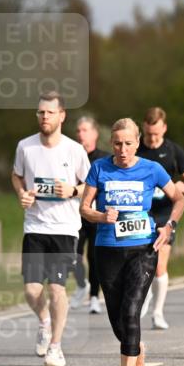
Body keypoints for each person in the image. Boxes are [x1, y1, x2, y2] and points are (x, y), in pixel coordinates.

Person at [80, 118, 184, 366]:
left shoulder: (152, 169)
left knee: (131, 311)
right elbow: (84, 208)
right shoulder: (100, 168)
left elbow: (179, 199)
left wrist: (169, 226)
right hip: (107, 249)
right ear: (111, 144)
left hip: (143, 249)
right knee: (117, 320)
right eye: (117, 144)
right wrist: (102, 217)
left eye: (128, 144)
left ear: (137, 143)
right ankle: (137, 351)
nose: (123, 150)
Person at [11, 91, 90, 366]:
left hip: (65, 229)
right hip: (34, 227)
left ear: (61, 116)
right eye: (40, 112)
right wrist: (22, 194)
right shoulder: (25, 147)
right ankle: (44, 322)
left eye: (50, 112)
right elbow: (17, 176)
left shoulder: (74, 150)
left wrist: (72, 190)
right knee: (32, 291)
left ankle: (55, 347)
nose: (44, 117)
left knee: (57, 288)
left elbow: (90, 186)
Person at [135, 107, 184, 329]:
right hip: (141, 214)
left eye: (157, 134)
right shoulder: (137, 151)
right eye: (148, 134)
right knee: (141, 263)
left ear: (164, 128)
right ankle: (145, 298)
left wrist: (183, 187)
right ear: (143, 129)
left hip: (165, 214)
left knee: (159, 265)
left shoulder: (174, 151)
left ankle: (157, 312)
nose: (152, 139)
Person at [74, 116, 108, 313]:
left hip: (96, 214)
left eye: (85, 130)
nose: (81, 134)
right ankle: (81, 284)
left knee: (94, 257)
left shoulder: (103, 159)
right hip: (75, 214)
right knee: (73, 255)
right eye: (78, 131)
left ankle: (94, 296)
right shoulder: (71, 155)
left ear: (95, 133)